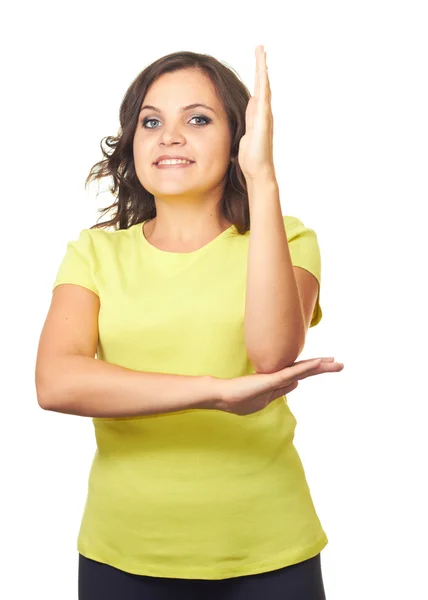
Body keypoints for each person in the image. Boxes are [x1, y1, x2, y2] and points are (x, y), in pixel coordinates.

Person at [35, 48, 344, 600]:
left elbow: (271, 353)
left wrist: (263, 177)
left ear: (237, 142)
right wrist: (216, 394)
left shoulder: (287, 239)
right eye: (151, 122)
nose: (169, 136)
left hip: (269, 550)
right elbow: (57, 382)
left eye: (197, 119)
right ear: (133, 142)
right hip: (123, 553)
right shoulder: (93, 255)